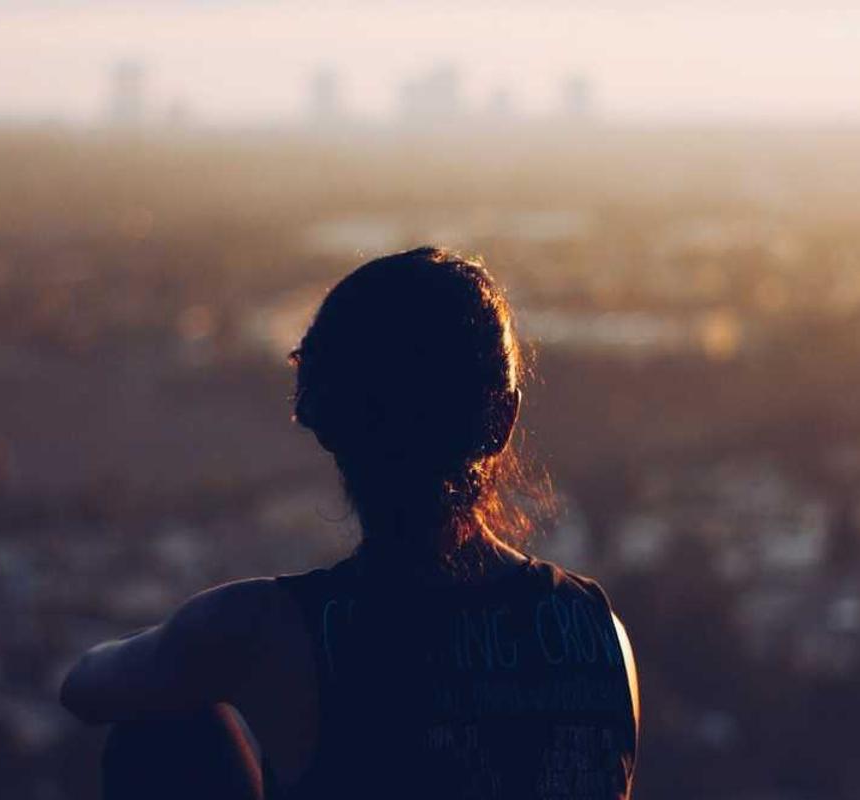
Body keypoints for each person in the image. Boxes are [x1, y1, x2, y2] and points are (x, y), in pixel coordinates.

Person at [60, 247, 640, 799]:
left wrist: (197, 649)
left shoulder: (266, 632)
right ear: (503, 420)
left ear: (325, 422)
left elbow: (84, 687)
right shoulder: (596, 631)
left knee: (161, 732)